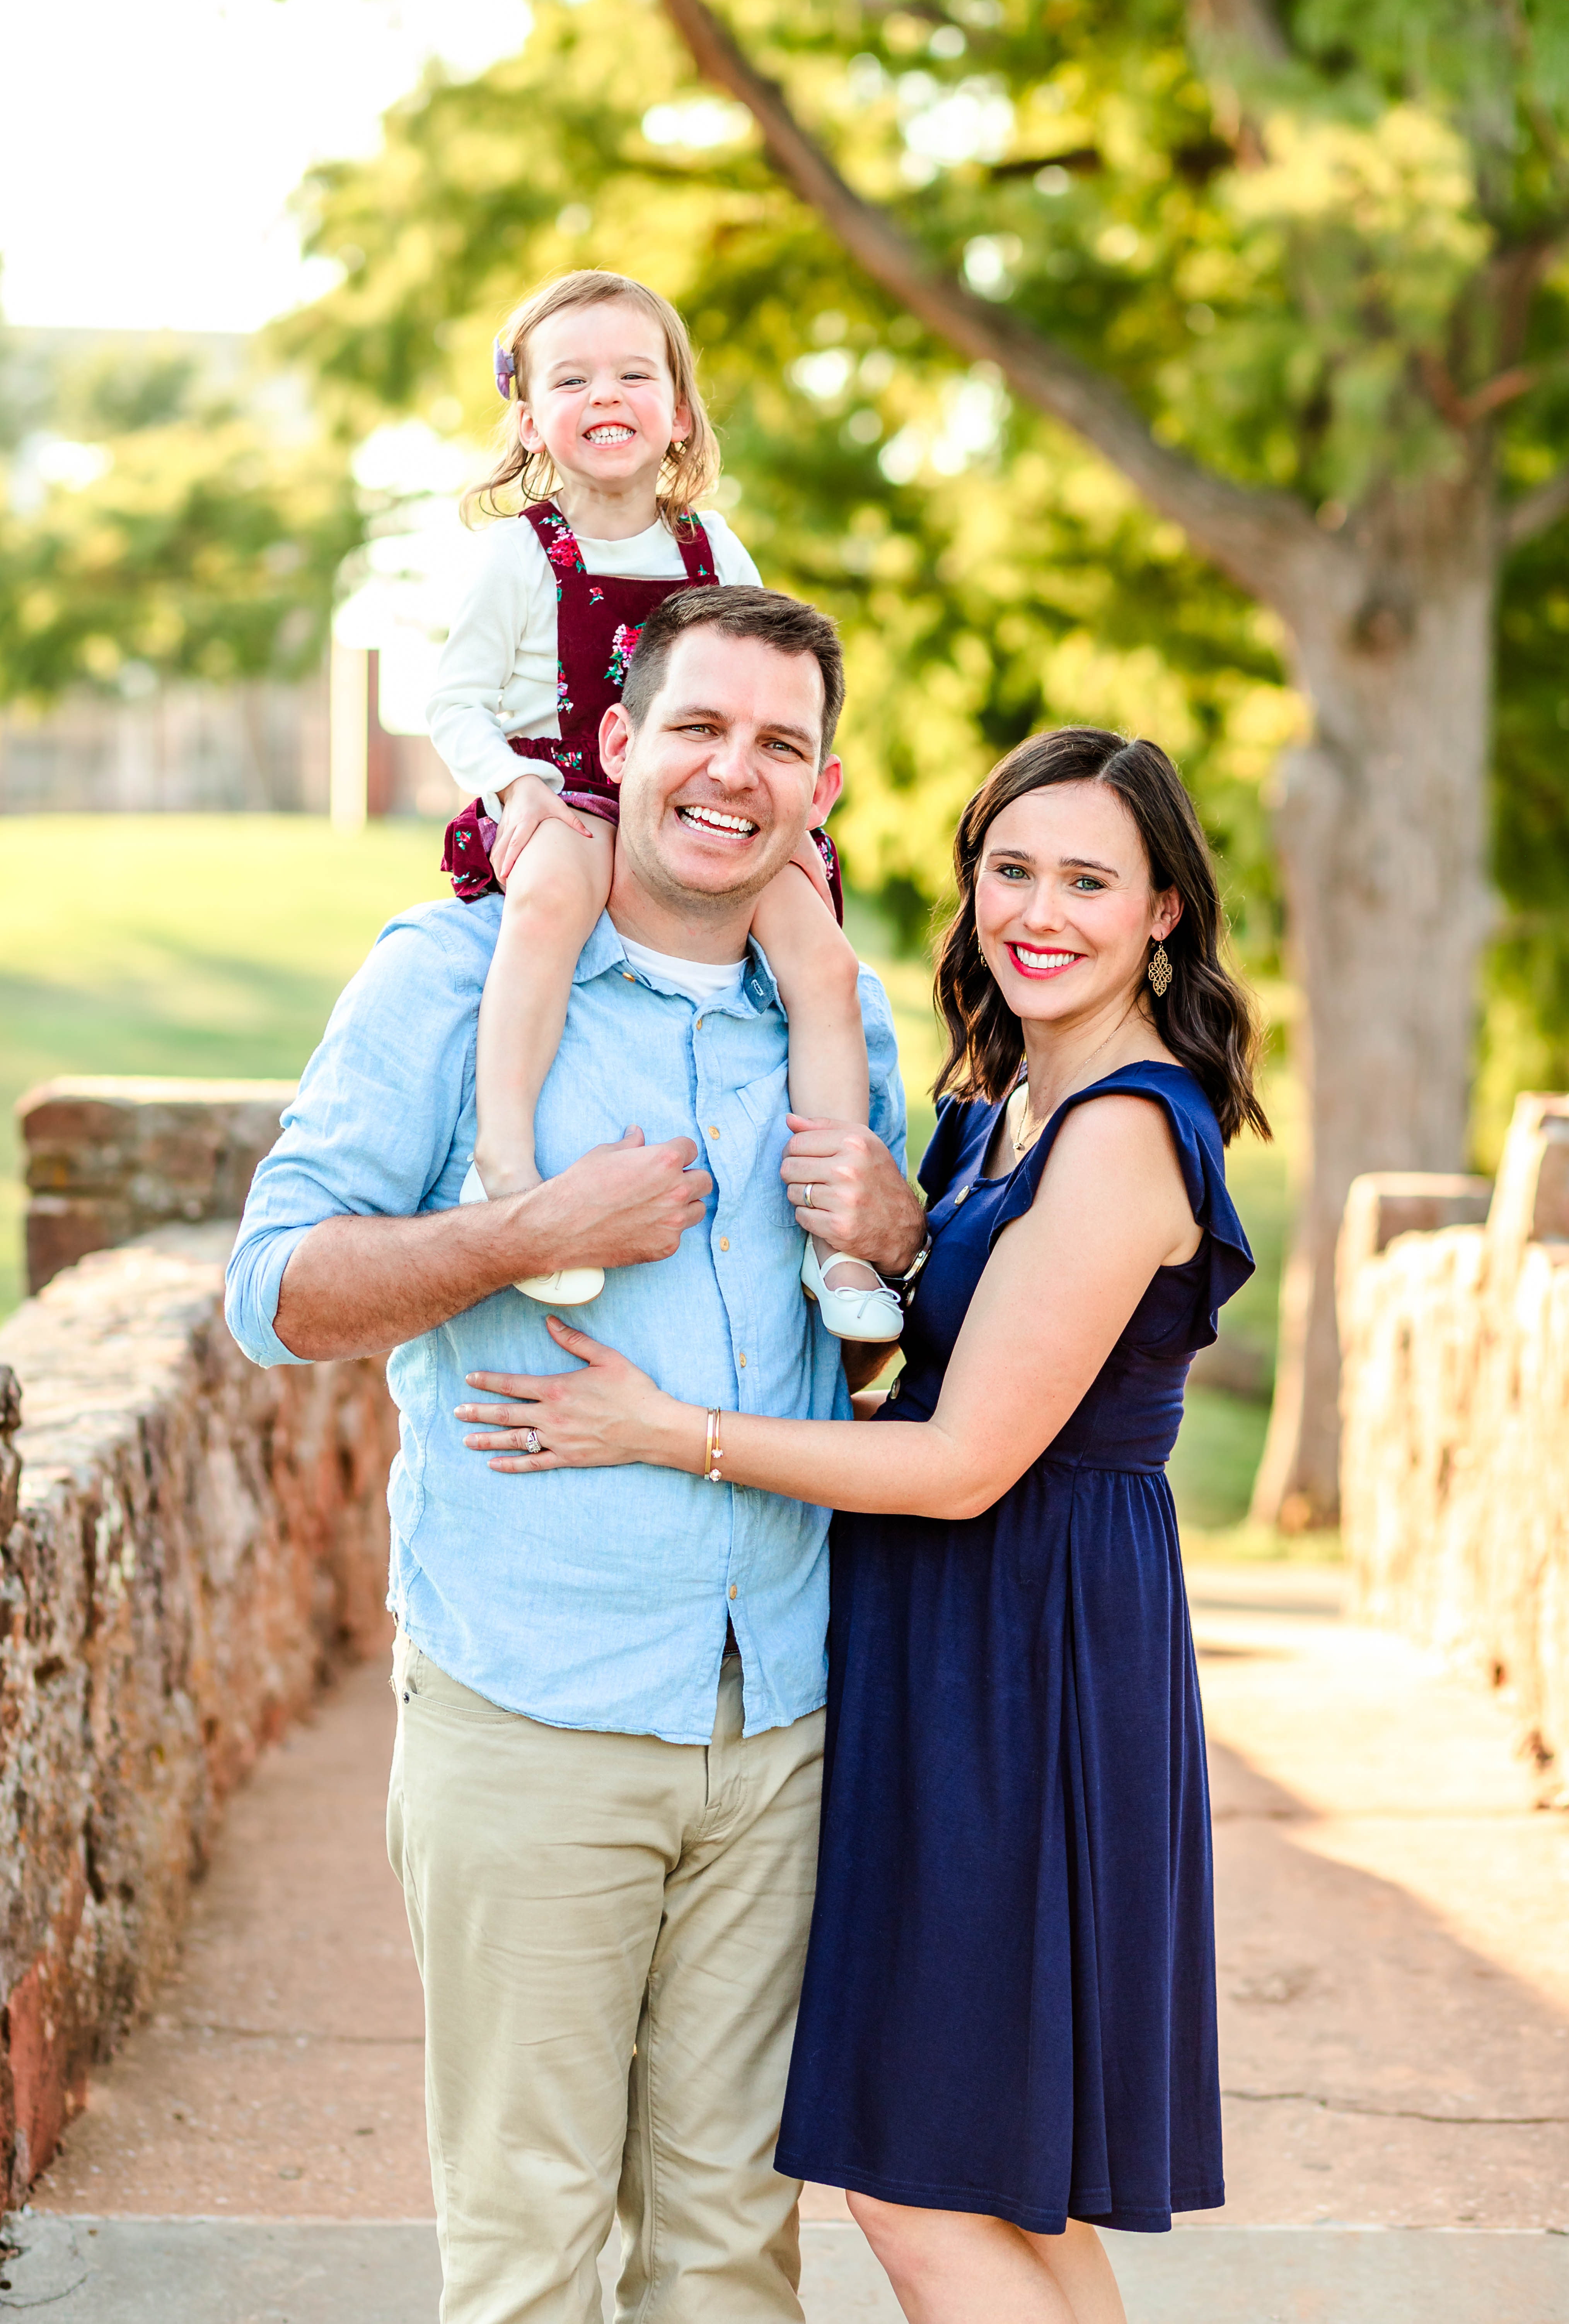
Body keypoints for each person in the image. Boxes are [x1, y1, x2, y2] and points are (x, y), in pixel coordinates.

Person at [454, 726, 1269, 2324]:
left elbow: (961, 1460)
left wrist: (664, 1432)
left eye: (1088, 881)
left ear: (1163, 910)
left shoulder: (1120, 1131)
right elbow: (939, 1350)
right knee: (1001, 2180)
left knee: (919, 2176)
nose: (1037, 912)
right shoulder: (999, 1108)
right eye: (1009, 871)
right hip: (954, 1647)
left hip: (1029, 1666)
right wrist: (900, 1246)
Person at [225, 582, 932, 2324]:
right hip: (532, 1708)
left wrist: (902, 1236)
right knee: (529, 2252)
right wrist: (524, 1229)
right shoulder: (450, 976)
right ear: (616, 741)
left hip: (779, 1722)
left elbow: (883, 1357)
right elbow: (276, 1293)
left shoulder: (835, 1018)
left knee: (730, 2253)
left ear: (823, 791)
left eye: (780, 745)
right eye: (697, 727)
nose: (734, 773)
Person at [427, 266, 898, 1337]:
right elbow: (452, 702)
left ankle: (835, 1236)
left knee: (823, 960)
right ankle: (505, 1161)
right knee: (551, 900)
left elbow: (767, 679)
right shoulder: (518, 554)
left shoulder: (711, 547)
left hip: (698, 795)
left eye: (634, 375)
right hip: (565, 790)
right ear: (531, 420)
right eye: (572, 379)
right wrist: (516, 788)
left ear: (679, 413)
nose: (605, 395)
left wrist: (784, 814)